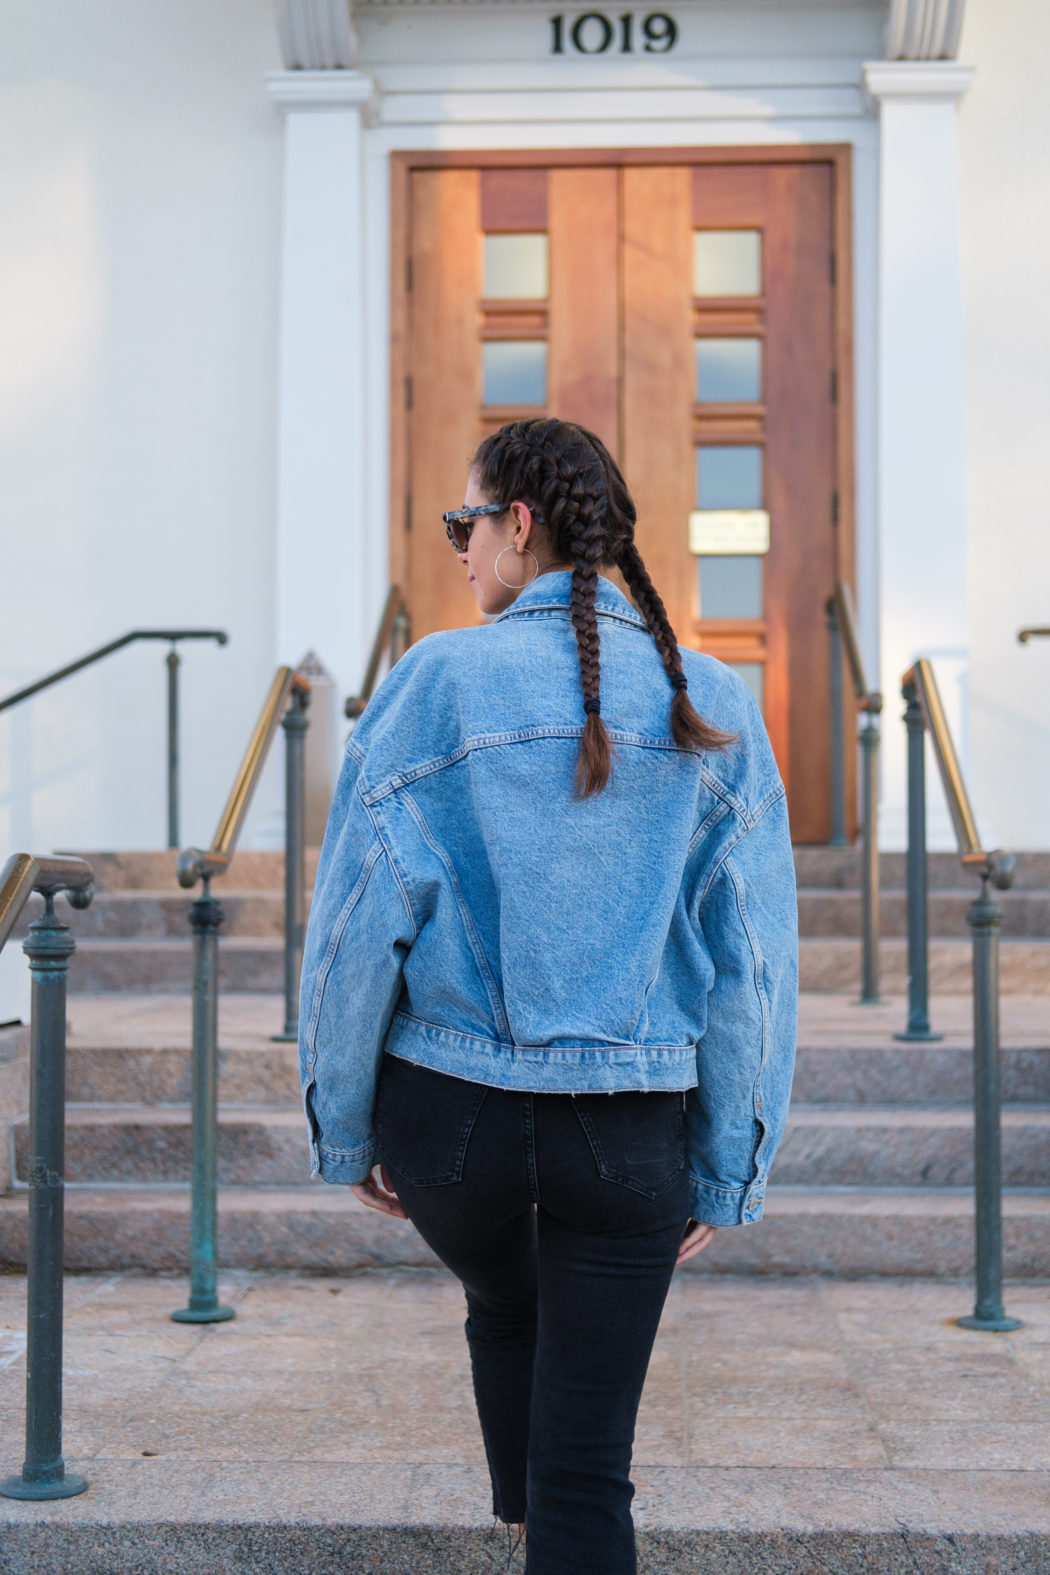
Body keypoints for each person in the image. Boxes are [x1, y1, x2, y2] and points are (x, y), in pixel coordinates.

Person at [299, 417, 798, 1574]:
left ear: (517, 524)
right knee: (592, 1474)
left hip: (448, 1125)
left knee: (505, 1293)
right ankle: (549, 1514)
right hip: (628, 1134)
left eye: (462, 525)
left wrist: (346, 1123)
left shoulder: (432, 681)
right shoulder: (707, 695)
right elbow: (752, 969)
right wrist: (731, 1165)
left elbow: (354, 932)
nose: (459, 551)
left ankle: (519, 1508)